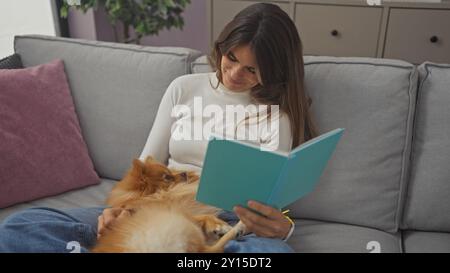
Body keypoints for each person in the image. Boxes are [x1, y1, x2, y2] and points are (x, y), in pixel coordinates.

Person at [0, 3, 317, 253]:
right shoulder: (184, 88)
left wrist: (280, 229)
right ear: (223, 46)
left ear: (273, 71)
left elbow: (267, 203)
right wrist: (121, 211)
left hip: (227, 221)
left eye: (251, 69)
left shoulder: (277, 117)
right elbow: (145, 166)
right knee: (20, 227)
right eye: (231, 58)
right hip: (158, 206)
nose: (233, 74)